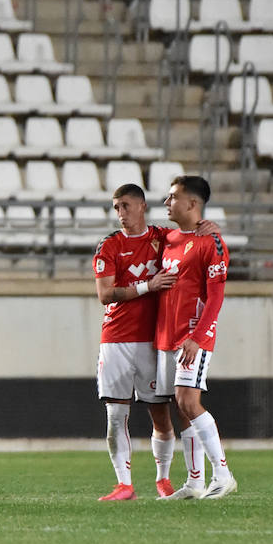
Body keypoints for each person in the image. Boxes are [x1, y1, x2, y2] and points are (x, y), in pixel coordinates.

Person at [91, 184, 179, 501]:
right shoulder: (109, 246)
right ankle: (124, 484)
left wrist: (206, 229)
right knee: (116, 414)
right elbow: (105, 294)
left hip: (154, 339)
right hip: (116, 338)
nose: (120, 213)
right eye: (116, 207)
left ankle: (163, 479)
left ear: (142, 206)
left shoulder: (164, 238)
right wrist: (148, 286)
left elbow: (194, 243)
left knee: (160, 413)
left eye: (125, 206)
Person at [157, 175, 236, 500]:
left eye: (172, 196)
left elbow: (216, 297)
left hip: (193, 336)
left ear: (192, 203)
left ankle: (223, 474)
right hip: (168, 336)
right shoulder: (169, 237)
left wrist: (197, 337)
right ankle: (194, 482)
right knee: (181, 405)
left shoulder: (212, 242)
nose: (166, 202)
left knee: (189, 401)